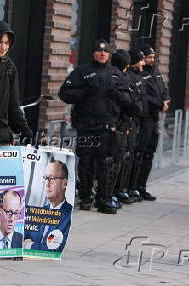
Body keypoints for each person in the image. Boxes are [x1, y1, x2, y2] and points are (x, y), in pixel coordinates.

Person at [59, 39, 123, 214]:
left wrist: (118, 95)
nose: (102, 54)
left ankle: (103, 199)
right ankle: (86, 198)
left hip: (107, 127)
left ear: (109, 54)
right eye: (99, 51)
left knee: (105, 164)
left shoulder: (116, 73)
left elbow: (130, 98)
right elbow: (64, 93)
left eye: (105, 51)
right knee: (86, 163)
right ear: (93, 53)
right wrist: (85, 92)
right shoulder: (83, 71)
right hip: (87, 125)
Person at [131, 44, 170, 201]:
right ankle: (133, 187)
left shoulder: (156, 72)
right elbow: (144, 97)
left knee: (149, 153)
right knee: (139, 152)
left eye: (153, 57)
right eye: (148, 57)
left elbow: (164, 89)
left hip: (154, 119)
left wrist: (166, 101)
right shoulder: (140, 74)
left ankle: (142, 186)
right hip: (145, 119)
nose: (151, 60)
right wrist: (160, 105)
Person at [110, 49, 143, 204]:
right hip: (120, 124)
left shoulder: (108, 75)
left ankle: (110, 192)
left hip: (115, 122)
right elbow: (132, 104)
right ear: (127, 64)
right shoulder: (125, 79)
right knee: (118, 159)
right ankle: (112, 193)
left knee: (115, 159)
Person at [24, 160, 73, 252]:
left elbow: (53, 249)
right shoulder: (39, 212)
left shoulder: (68, 214)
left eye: (51, 178)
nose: (47, 183)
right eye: (45, 178)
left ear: (64, 183)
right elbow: (19, 238)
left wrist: (29, 245)